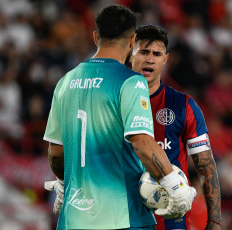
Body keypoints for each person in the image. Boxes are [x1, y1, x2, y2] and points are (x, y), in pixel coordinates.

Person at [43, 5, 196, 230]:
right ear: (133, 40)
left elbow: (56, 152)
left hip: (74, 219)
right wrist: (175, 186)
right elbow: (142, 143)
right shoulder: (131, 81)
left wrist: (64, 184)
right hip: (122, 218)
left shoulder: (65, 82)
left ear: (96, 36)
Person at [129, 25, 222, 230]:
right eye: (143, 52)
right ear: (130, 54)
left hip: (171, 220)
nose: (150, 59)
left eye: (157, 53)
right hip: (121, 216)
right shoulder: (111, 102)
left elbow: (206, 165)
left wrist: (215, 220)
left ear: (165, 59)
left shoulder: (183, 105)